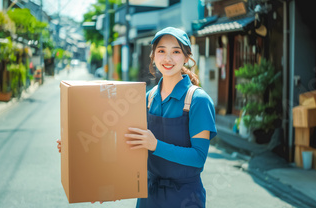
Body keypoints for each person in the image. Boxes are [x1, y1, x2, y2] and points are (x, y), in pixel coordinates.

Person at [57, 27, 216, 207]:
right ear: (153, 56)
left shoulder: (198, 100)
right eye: (161, 51)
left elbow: (198, 157)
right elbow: (127, 146)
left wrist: (155, 145)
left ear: (187, 57)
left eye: (176, 51)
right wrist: (76, 148)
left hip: (186, 198)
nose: (168, 58)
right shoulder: (148, 98)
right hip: (148, 196)